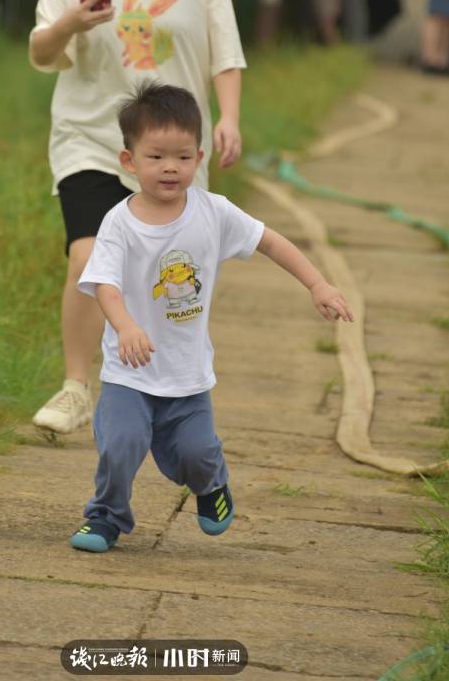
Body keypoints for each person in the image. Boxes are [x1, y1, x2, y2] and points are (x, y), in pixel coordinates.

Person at [69, 81, 353, 552]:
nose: (169, 168)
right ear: (129, 161)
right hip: (129, 372)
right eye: (156, 156)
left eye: (182, 157)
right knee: (121, 445)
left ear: (199, 158)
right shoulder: (118, 222)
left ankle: (212, 483)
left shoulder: (213, 212)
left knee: (197, 454)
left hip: (187, 375)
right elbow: (105, 284)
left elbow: (271, 241)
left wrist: (317, 283)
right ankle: (105, 517)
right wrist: (126, 327)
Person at [29, 0, 247, 434]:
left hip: (171, 149)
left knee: (166, 277)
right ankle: (76, 387)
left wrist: (228, 117)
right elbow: (40, 49)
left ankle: (163, 390)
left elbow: (225, 54)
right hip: (92, 136)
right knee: (89, 254)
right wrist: (72, 21)